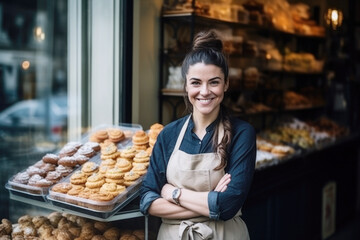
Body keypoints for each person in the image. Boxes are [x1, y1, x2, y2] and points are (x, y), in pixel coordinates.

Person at [140, 30, 256, 239]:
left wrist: (173, 193)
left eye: (214, 82)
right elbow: (148, 200)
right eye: (196, 82)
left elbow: (229, 205)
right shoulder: (169, 134)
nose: (204, 91)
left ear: (226, 84)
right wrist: (212, 202)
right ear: (185, 84)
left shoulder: (242, 133)